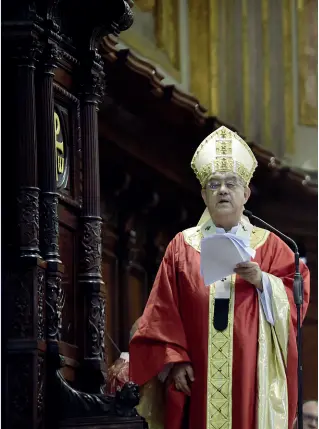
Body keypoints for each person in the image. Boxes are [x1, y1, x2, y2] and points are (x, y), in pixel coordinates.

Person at [129, 126, 310, 429]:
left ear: (246, 194)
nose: (222, 190)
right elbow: (161, 315)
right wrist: (175, 362)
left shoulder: (273, 247)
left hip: (251, 381)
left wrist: (262, 281)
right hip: (197, 379)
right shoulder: (182, 247)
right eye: (214, 184)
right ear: (204, 195)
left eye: (231, 183)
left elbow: (296, 300)